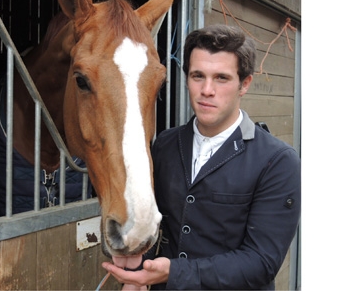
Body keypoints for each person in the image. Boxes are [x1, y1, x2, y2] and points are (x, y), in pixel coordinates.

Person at [102, 24, 301, 290]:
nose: (207, 90)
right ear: (186, 79)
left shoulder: (277, 161)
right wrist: (139, 273)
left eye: (221, 78)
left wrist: (173, 272)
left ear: (244, 84)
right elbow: (160, 225)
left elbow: (261, 262)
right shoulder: (165, 144)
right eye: (198, 76)